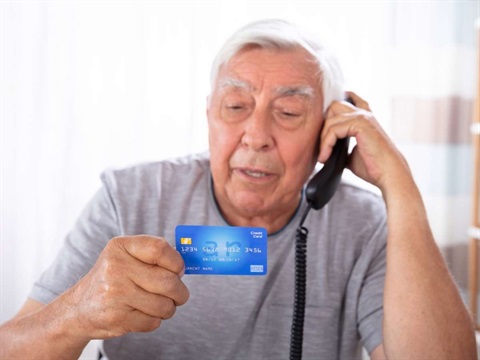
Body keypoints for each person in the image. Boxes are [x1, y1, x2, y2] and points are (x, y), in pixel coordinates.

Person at [0, 19, 476, 360]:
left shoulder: (365, 225)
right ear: (209, 114)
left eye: (288, 113)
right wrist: (78, 312)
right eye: (235, 106)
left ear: (330, 133)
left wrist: (401, 188)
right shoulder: (129, 196)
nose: (255, 134)